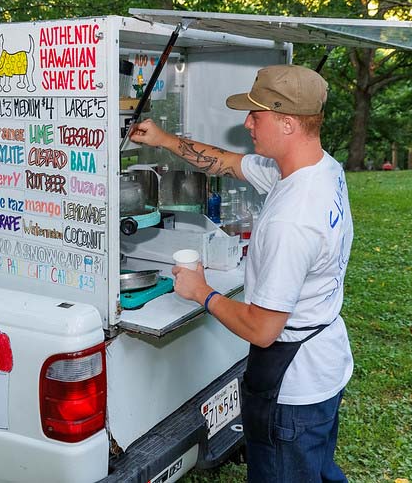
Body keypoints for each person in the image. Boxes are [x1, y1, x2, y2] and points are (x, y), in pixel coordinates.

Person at [131, 64, 353, 482]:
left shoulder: (293, 219)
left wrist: (202, 291)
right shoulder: (318, 169)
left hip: (293, 388)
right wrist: (162, 139)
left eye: (257, 115)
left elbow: (262, 329)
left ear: (287, 123)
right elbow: (228, 163)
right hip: (323, 363)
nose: (247, 122)